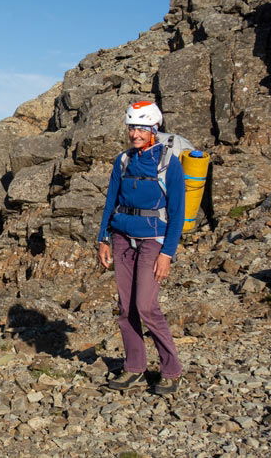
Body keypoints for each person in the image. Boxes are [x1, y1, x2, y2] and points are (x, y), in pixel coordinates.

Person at [96, 100, 184, 395]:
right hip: (121, 237)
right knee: (125, 308)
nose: (135, 134)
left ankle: (171, 370)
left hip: (153, 241)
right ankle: (134, 368)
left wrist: (167, 254)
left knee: (146, 306)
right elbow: (110, 201)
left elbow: (178, 212)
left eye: (141, 128)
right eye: (132, 127)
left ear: (154, 129)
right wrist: (102, 239)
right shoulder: (122, 161)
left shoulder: (168, 163)